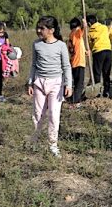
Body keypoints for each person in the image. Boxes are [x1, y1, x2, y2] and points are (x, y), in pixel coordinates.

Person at [28, 16, 72, 157]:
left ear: (51, 30)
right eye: (38, 27)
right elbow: (34, 64)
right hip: (39, 82)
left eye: (42, 28)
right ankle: (35, 141)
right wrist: (30, 82)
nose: (38, 30)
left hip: (56, 84)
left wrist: (68, 85)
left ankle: (53, 144)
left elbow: (66, 66)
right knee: (37, 114)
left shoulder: (61, 45)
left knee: (54, 114)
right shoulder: (36, 44)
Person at [86, 14, 112, 98]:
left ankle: (98, 92)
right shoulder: (104, 27)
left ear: (89, 23)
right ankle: (106, 91)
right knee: (106, 73)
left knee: (97, 73)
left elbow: (90, 45)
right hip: (108, 51)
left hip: (98, 52)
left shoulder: (90, 32)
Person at [67, 17, 89, 106]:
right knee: (79, 84)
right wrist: (84, 23)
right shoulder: (77, 33)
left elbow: (78, 46)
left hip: (74, 62)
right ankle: (75, 102)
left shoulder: (72, 35)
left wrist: (85, 52)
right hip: (79, 62)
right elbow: (84, 27)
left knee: (76, 83)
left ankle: (75, 98)